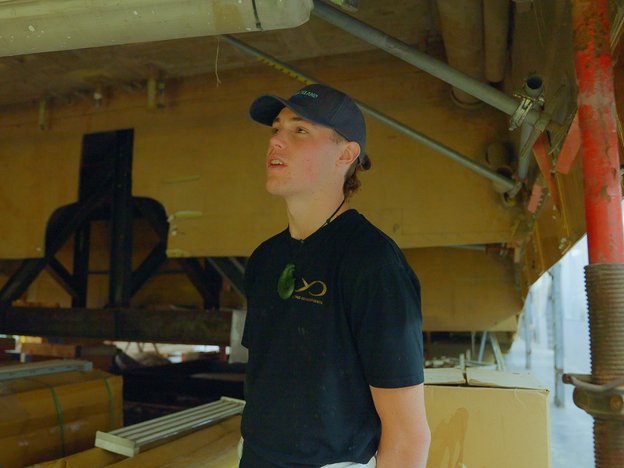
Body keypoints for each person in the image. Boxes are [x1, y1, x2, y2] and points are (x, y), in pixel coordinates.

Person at [240, 83, 430, 468]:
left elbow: (408, 436)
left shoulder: (373, 263)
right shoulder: (264, 259)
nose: (276, 140)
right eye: (276, 128)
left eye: (299, 130)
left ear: (346, 153)